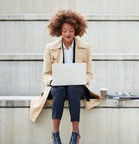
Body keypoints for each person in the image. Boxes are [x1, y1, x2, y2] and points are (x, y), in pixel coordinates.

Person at [29, 10, 101, 144]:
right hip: (57, 87)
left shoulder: (85, 48)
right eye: (64, 31)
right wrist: (52, 80)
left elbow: (89, 73)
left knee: (73, 88)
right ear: (59, 31)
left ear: (76, 31)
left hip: (77, 87)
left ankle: (75, 134)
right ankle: (55, 135)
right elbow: (46, 73)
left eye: (71, 30)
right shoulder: (50, 48)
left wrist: (82, 78)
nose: (68, 34)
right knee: (61, 89)